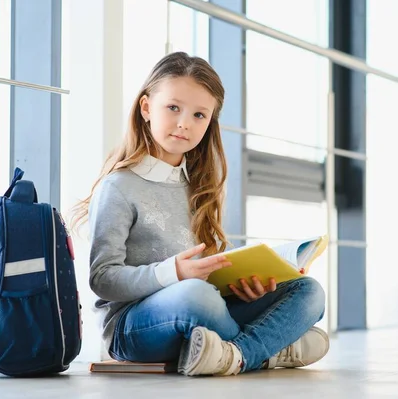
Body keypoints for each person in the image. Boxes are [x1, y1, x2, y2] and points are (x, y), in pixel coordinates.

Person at [71, 52, 329, 376]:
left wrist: (252, 282)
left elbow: (213, 263)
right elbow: (102, 279)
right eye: (173, 108)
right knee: (196, 295)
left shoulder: (199, 185)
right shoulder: (118, 186)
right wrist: (173, 273)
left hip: (207, 309)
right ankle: (267, 350)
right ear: (147, 107)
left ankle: (236, 354)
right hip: (135, 327)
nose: (184, 124)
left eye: (199, 115)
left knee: (309, 291)